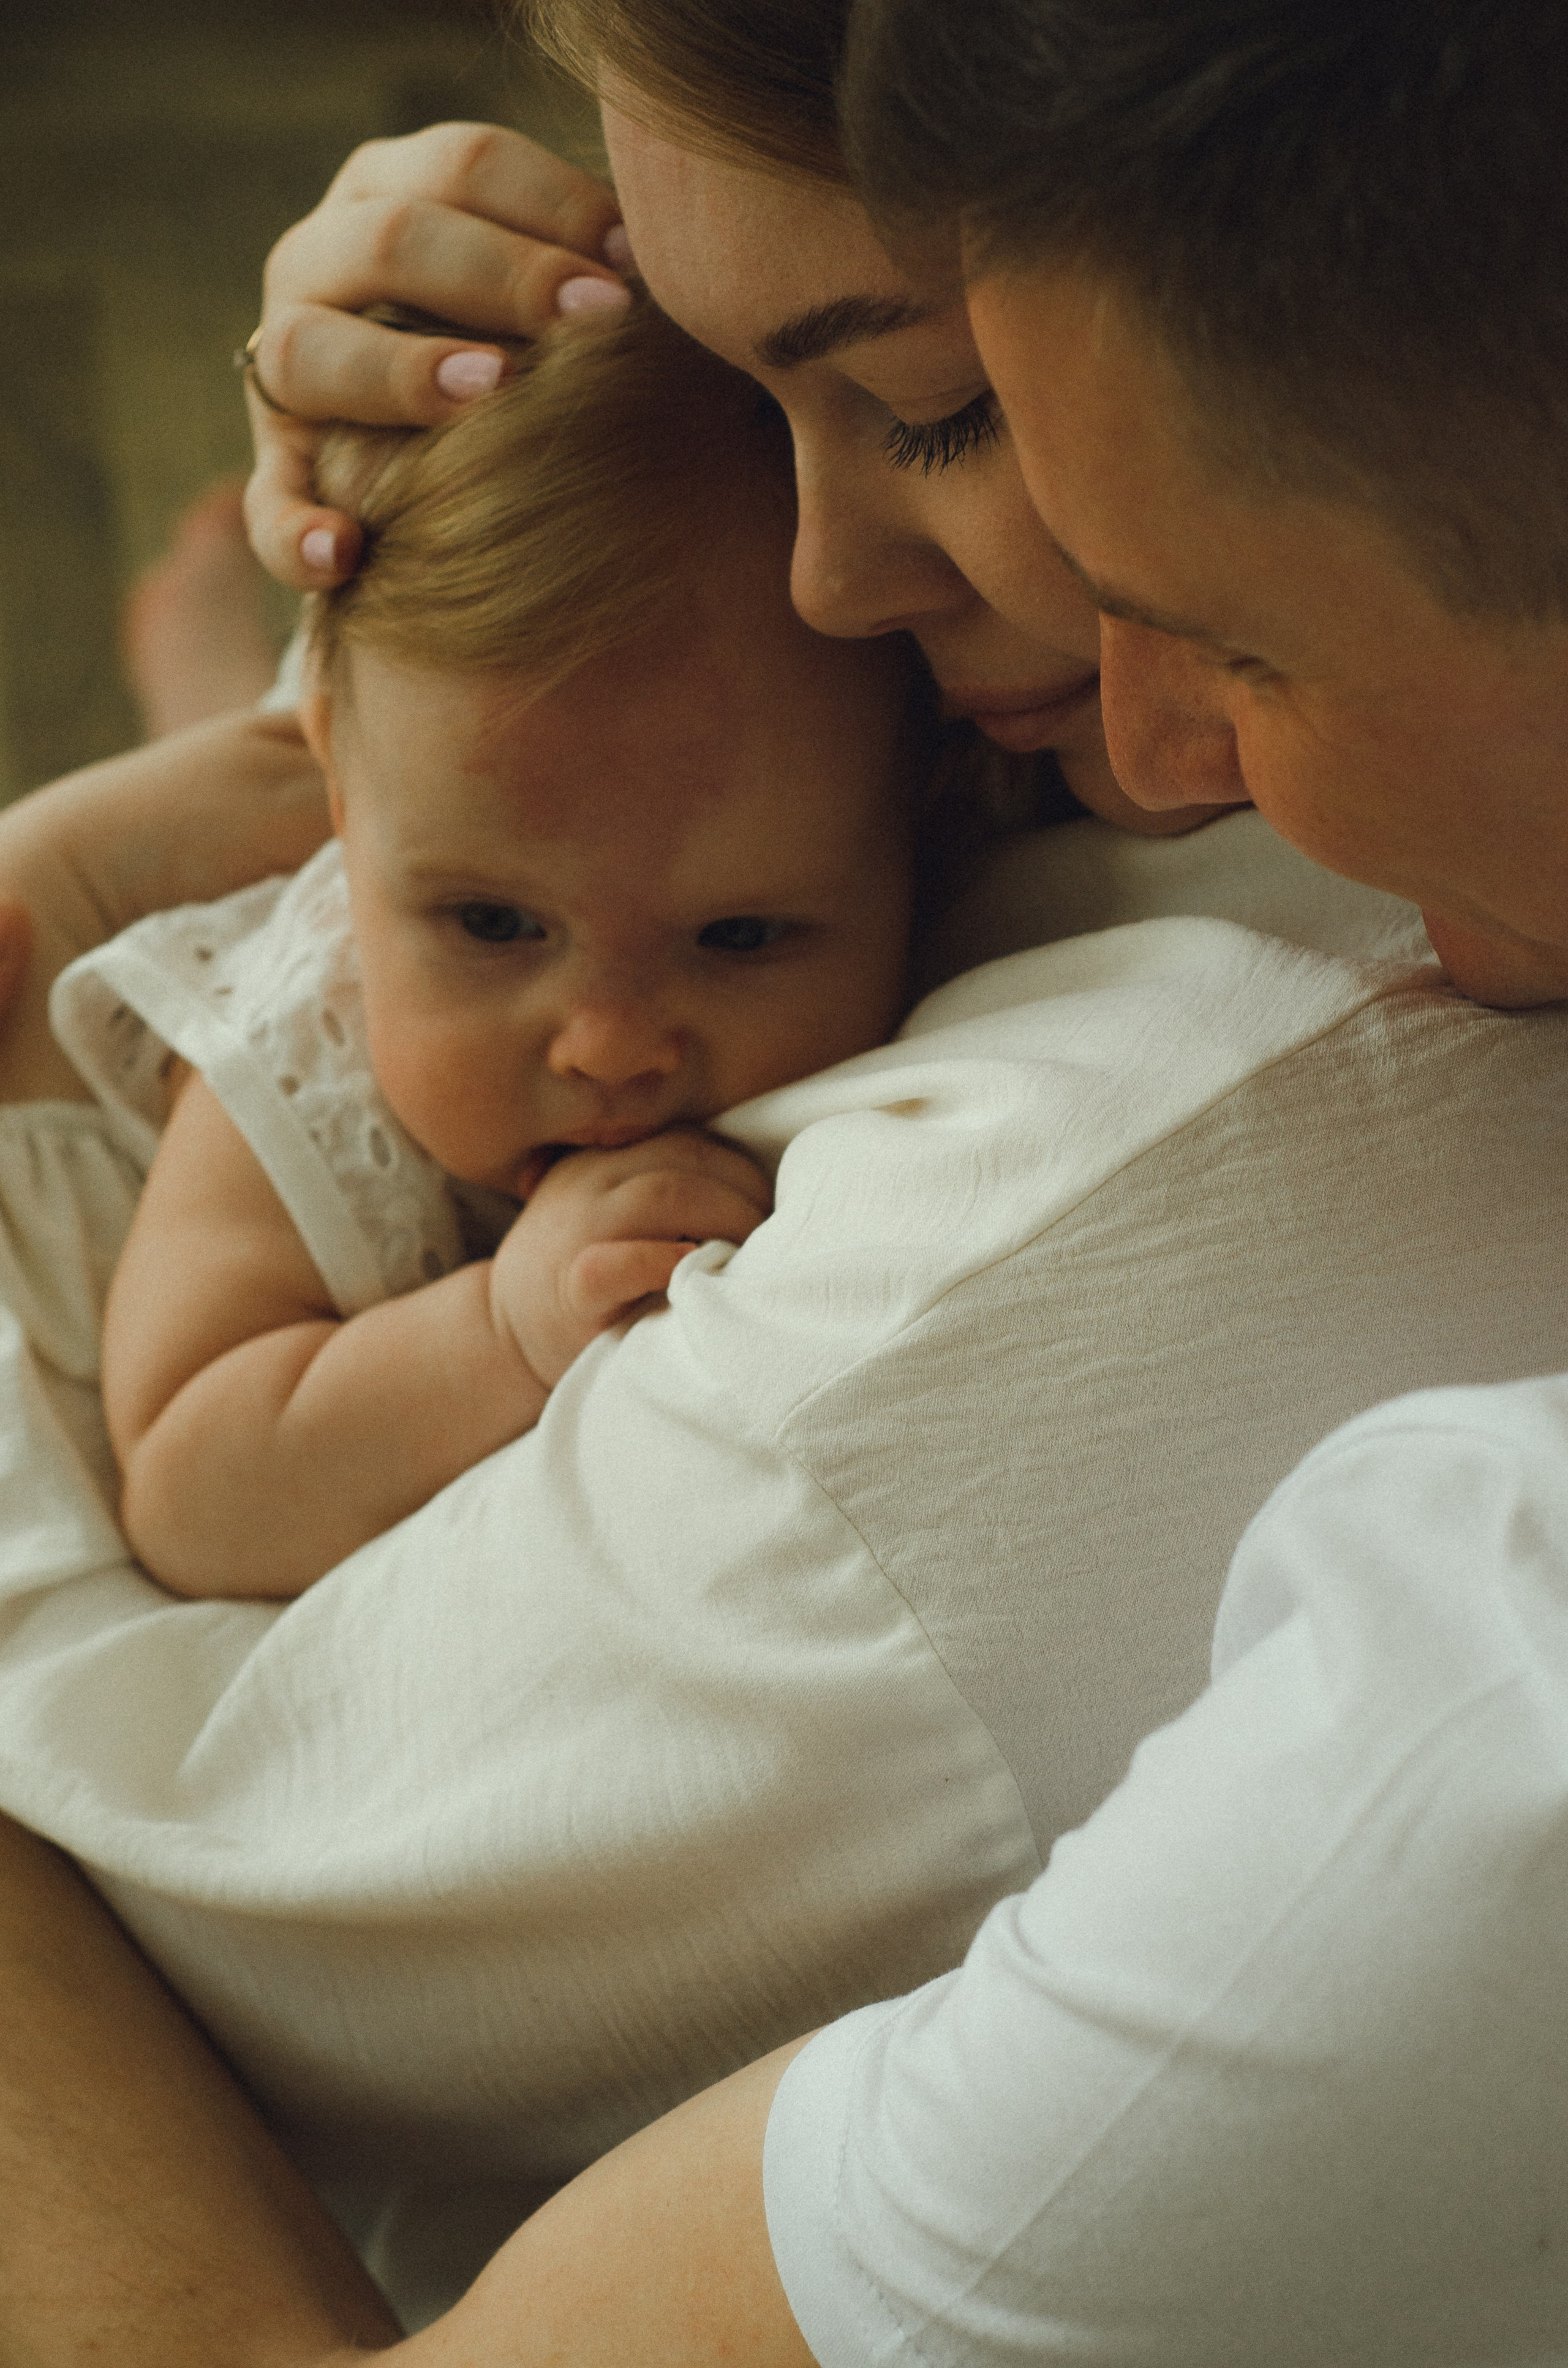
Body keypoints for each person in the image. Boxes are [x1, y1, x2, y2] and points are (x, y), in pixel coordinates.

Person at [3, 2, 1568, 2360]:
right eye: (757, 399)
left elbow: (210, 1905)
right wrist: (429, 608)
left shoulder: (1135, 1305)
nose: (829, 580)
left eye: (930, 395)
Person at [64, 302, 910, 1598]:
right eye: (494, 925)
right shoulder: (296, 1072)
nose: (612, 1046)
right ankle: (219, 721)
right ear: (347, 811)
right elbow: (188, 1493)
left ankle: (227, 700)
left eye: (739, 935)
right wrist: (500, 1330)